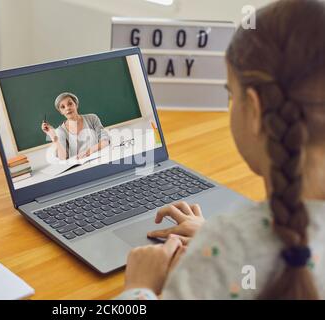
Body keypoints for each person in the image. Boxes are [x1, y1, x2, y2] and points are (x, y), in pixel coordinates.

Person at [117, 0, 325, 300]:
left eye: (230, 94)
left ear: (255, 110)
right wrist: (215, 241)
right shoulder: (227, 248)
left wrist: (140, 287)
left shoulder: (223, 254)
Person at [41, 92, 110, 160]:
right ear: (61, 112)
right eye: (63, 107)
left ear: (76, 105)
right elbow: (63, 157)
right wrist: (52, 136)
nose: (67, 108)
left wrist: (89, 151)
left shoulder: (92, 118)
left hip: (101, 160)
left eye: (70, 104)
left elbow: (105, 141)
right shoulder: (60, 131)